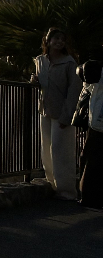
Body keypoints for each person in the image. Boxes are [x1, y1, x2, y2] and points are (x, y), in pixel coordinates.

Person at [34, 29, 81, 198]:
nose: (59, 41)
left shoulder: (69, 63)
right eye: (56, 38)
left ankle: (67, 191)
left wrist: (67, 116)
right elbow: (41, 82)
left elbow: (74, 90)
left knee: (62, 151)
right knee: (46, 149)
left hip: (62, 112)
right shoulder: (41, 60)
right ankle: (52, 184)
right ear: (48, 41)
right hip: (45, 110)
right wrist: (34, 80)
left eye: (62, 39)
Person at [75, 57, 103, 210]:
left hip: (97, 122)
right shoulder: (95, 69)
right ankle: (90, 196)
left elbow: (85, 78)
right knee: (91, 159)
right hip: (97, 121)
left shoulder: (95, 69)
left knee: (91, 159)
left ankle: (89, 197)